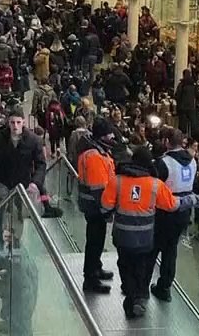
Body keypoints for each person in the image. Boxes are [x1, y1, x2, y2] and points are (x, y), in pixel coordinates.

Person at [101, 145, 178, 319]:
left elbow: (105, 206)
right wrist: (192, 199)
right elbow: (172, 205)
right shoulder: (156, 184)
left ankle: (130, 294)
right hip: (144, 238)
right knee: (141, 266)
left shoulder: (117, 180)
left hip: (122, 236)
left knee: (124, 264)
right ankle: (138, 297)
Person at [151, 126, 197, 301]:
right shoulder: (193, 161)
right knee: (171, 250)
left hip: (164, 211)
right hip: (184, 211)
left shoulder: (163, 163)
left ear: (166, 142)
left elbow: (153, 186)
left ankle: (141, 287)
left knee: (152, 248)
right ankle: (165, 287)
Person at [76, 119, 117, 294]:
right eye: (109, 134)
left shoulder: (98, 151)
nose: (113, 137)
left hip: (94, 206)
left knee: (97, 240)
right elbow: (99, 188)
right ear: (102, 136)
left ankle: (96, 267)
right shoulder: (94, 156)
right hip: (95, 207)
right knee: (94, 242)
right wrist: (107, 209)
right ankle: (90, 278)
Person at [0, 227, 38, 336]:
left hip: (21, 300)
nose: (6, 240)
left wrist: (0, 275)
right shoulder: (7, 250)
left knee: (21, 327)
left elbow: (16, 280)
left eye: (9, 237)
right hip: (17, 298)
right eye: (5, 237)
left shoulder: (18, 256)